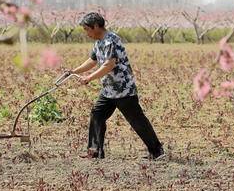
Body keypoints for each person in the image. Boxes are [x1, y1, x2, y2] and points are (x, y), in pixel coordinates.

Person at [67, 12, 165, 160]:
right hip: (109, 90)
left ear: (96, 26)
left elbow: (109, 65)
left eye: (87, 29)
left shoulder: (110, 40)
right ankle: (95, 152)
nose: (86, 33)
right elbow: (93, 60)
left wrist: (89, 78)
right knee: (97, 115)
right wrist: (74, 71)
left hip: (123, 89)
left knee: (137, 120)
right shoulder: (98, 41)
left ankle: (157, 151)